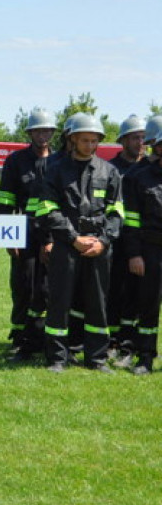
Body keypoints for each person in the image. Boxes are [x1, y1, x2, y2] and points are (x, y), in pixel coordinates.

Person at [37, 113, 124, 372]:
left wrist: (103, 242)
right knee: (59, 302)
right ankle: (57, 358)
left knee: (97, 303)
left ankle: (96, 359)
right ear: (72, 139)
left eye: (94, 140)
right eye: (85, 140)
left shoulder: (110, 172)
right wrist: (73, 238)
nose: (90, 145)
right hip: (66, 245)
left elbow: (117, 212)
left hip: (98, 247)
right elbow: (47, 209)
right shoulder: (54, 170)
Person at [0, 108, 55, 362]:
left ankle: (41, 337)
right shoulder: (16, 161)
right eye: (38, 131)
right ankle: (20, 336)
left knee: (47, 288)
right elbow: (5, 200)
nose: (43, 135)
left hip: (52, 231)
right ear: (30, 133)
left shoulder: (60, 161)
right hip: (23, 230)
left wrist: (51, 239)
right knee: (23, 285)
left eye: (47, 131)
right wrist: (8, 236)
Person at [122, 114, 162, 374]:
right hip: (151, 250)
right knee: (148, 305)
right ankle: (145, 357)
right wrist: (134, 254)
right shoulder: (139, 177)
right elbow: (131, 222)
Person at [106, 114, 145, 366]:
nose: (140, 143)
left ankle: (129, 343)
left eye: (143, 138)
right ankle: (111, 342)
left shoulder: (149, 168)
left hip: (141, 243)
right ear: (122, 140)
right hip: (114, 241)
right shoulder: (110, 169)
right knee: (112, 292)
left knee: (136, 294)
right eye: (134, 138)